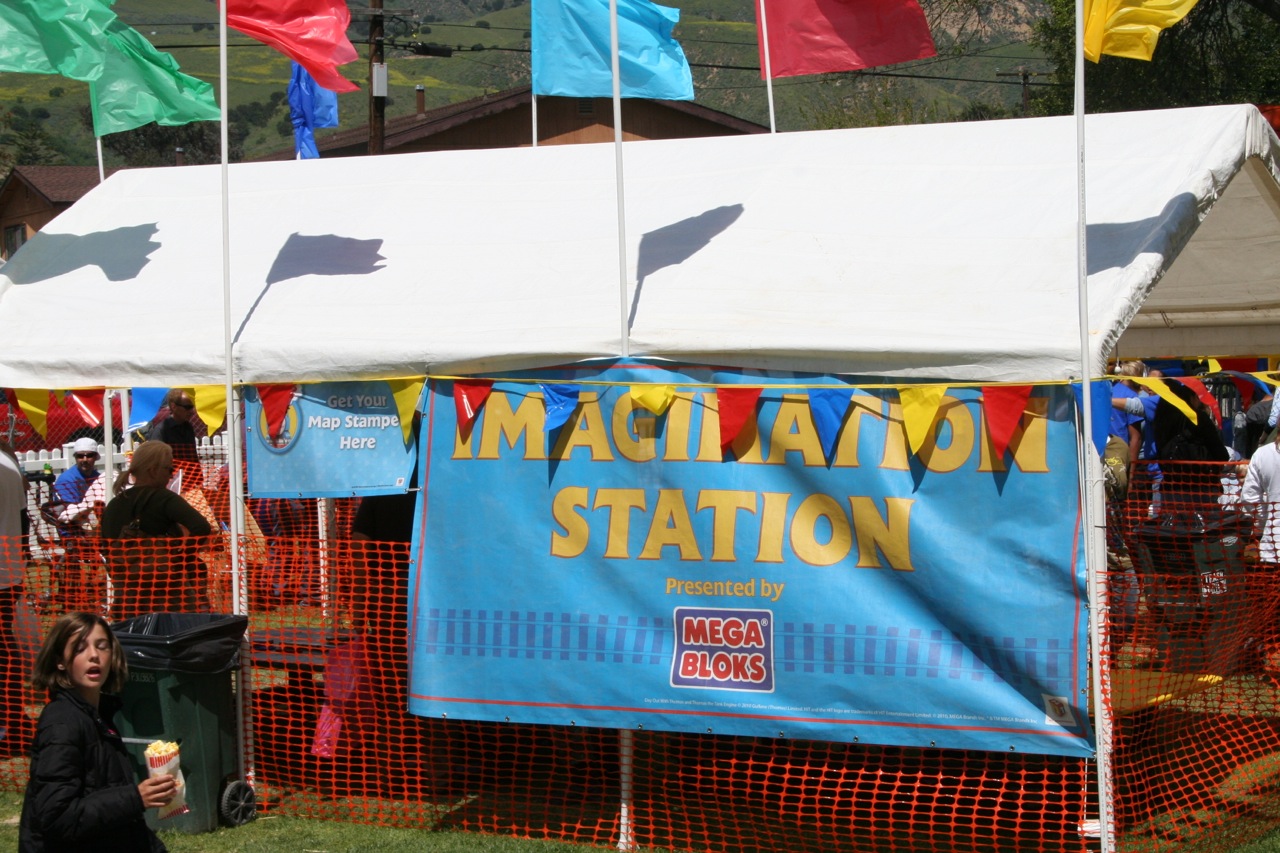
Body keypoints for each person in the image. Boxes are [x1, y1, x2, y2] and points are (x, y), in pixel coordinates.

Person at [18, 611, 176, 852]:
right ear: (60, 661)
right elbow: (58, 817)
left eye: (102, 647)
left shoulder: (99, 715)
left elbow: (117, 819)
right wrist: (135, 798)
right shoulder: (62, 723)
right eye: (80, 648)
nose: (94, 655)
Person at [100, 442, 213, 619]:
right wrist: (181, 558)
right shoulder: (164, 498)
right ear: (153, 471)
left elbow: (105, 547)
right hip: (168, 596)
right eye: (169, 469)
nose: (171, 475)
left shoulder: (115, 504)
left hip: (127, 597)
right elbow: (201, 527)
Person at [0, 438, 30, 753]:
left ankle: (11, 723)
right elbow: (24, 522)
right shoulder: (9, 463)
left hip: (6, 574)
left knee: (5, 651)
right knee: (6, 649)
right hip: (9, 574)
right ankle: (13, 720)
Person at [145, 389, 201, 488]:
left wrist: (198, 479)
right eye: (187, 407)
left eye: (192, 407)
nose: (191, 411)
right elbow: (155, 461)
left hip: (188, 482)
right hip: (168, 483)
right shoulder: (161, 430)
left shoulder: (188, 427)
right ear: (174, 406)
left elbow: (193, 456)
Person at [52, 437, 107, 534]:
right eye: (80, 456)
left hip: (94, 527)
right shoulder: (66, 480)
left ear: (95, 457)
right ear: (75, 457)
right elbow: (72, 512)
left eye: (89, 455)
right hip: (71, 531)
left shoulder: (98, 477)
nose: (85, 459)